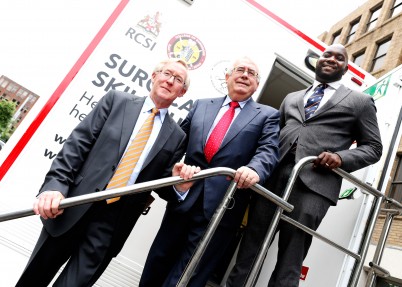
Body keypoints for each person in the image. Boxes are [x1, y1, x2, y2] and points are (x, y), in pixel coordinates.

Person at [16, 59, 199, 287]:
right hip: (73, 205)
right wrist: (55, 186)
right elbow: (77, 145)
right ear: (153, 76)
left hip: (112, 225)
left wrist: (177, 186)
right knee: (34, 278)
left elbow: (159, 183)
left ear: (182, 92)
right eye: (166, 73)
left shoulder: (177, 136)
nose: (170, 81)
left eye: (178, 79)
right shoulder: (116, 101)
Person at [227, 44, 383, 287]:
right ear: (317, 62)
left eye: (339, 58)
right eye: (326, 55)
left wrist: (341, 158)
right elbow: (272, 137)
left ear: (345, 68)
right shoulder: (292, 98)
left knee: (291, 257)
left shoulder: (360, 102)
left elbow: (374, 148)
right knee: (251, 246)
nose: (331, 59)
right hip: (272, 179)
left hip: (314, 185)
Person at [139, 56, 280, 287]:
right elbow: (175, 146)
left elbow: (268, 151)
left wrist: (254, 169)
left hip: (223, 206)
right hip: (184, 196)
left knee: (191, 271)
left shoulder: (267, 115)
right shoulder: (201, 105)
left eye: (251, 73)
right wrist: (161, 182)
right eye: (240, 70)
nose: (245, 75)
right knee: (159, 259)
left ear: (256, 85)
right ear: (227, 77)